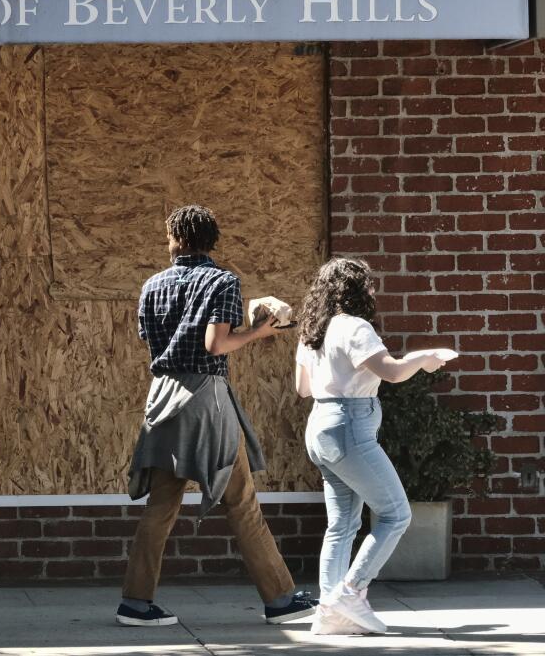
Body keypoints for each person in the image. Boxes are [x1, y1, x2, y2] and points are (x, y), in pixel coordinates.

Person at [117, 205, 317, 628]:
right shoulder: (222, 281)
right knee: (242, 502)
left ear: (176, 238)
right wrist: (261, 332)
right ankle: (281, 600)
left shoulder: (152, 284)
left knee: (161, 505)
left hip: (163, 397)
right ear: (211, 240)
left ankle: (135, 603)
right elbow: (215, 344)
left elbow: (151, 339)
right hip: (206, 400)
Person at [294, 257, 451, 635]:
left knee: (342, 526)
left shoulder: (312, 331)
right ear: (355, 291)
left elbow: (302, 389)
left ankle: (330, 613)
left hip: (320, 425)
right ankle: (351, 591)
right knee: (397, 513)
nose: (373, 291)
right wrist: (424, 359)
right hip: (349, 426)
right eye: (368, 285)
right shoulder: (355, 327)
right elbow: (393, 372)